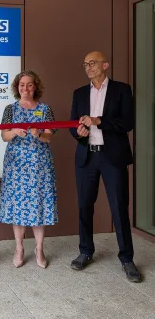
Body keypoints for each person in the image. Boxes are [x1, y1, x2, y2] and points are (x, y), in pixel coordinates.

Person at [69, 51, 141, 282]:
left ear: (106, 65)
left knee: (119, 207)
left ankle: (127, 258)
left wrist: (98, 121)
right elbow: (73, 126)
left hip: (113, 158)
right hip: (87, 157)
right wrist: (79, 132)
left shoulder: (122, 89)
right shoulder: (79, 93)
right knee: (84, 206)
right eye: (85, 64)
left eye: (92, 63)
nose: (88, 67)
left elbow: (127, 123)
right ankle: (85, 251)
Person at [0, 70, 57, 269]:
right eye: (22, 85)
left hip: (39, 164)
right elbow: (3, 137)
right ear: (17, 88)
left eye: (29, 84)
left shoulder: (45, 109)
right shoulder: (10, 109)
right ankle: (19, 247)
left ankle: (39, 248)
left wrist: (38, 134)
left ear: (35, 86)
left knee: (38, 203)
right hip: (16, 165)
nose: (25, 88)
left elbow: (50, 135)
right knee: (18, 205)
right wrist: (14, 131)